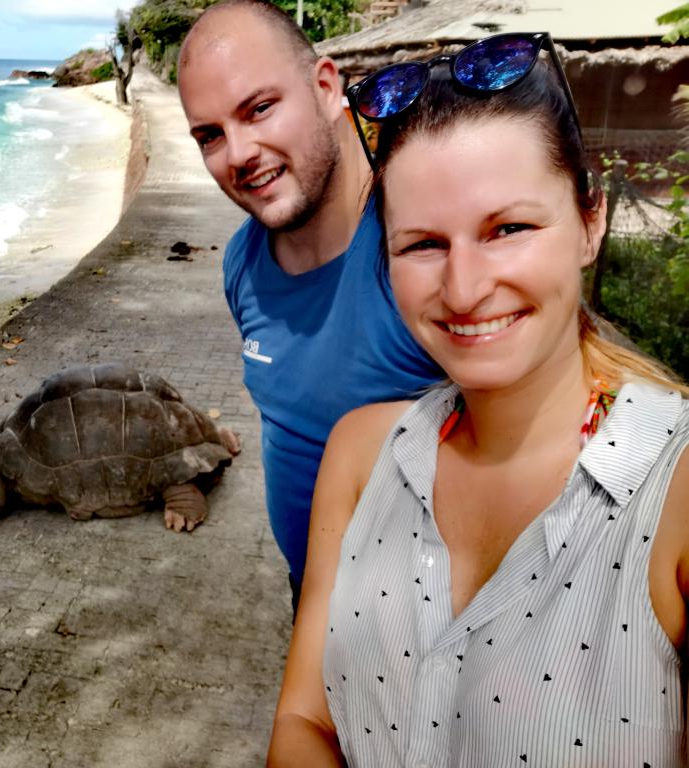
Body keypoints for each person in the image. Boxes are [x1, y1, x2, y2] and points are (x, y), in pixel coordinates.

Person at [268, 32, 689, 766]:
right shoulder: (364, 454)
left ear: (590, 223)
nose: (464, 289)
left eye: (509, 229)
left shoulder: (673, 492)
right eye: (424, 244)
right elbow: (306, 722)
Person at [177, 0, 441, 613]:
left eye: (260, 109)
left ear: (325, 88)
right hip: (313, 598)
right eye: (210, 135)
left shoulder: (424, 248)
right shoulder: (242, 263)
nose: (239, 153)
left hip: (431, 620)